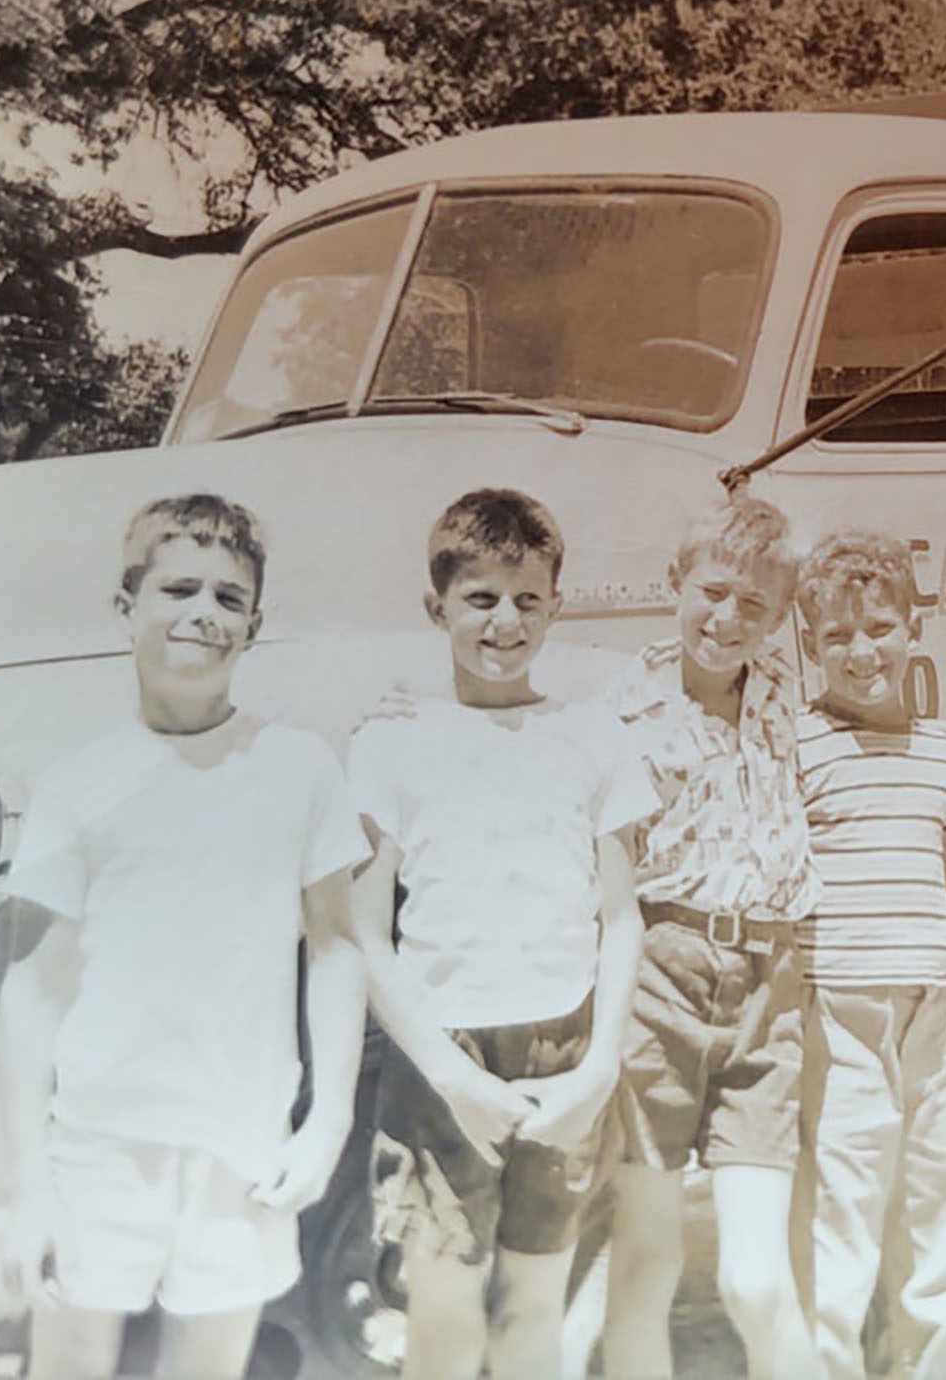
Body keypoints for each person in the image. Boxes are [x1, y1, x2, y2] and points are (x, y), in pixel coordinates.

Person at [0, 494, 369, 1378]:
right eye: (178, 589)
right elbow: (35, 986)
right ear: (126, 607)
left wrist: (328, 1122)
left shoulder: (299, 768)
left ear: (254, 625)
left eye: (229, 598)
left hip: (240, 1144)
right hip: (98, 1142)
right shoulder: (76, 784)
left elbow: (335, 950)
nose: (203, 613)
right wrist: (28, 1187)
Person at [348, 488, 657, 1380]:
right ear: (436, 607)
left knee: (534, 1311)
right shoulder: (394, 743)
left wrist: (598, 1068)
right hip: (440, 1055)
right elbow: (365, 932)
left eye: (527, 599)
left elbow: (620, 916)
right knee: (443, 1320)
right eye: (480, 598)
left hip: (562, 1053)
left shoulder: (594, 738)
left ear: (557, 604)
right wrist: (449, 1077)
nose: (504, 622)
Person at [598, 496, 821, 1380]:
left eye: (755, 607)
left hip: (768, 995)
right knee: (646, 1265)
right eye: (714, 593)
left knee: (758, 1281)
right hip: (660, 980)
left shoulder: (786, 703)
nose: (727, 620)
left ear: (778, 619)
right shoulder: (621, 711)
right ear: (676, 584)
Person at [794, 528, 946, 1380]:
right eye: (836, 636)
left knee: (936, 1216)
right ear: (808, 646)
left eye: (879, 626)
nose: (861, 651)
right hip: (838, 1016)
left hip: (934, 1021)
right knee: (838, 1225)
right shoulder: (795, 750)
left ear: (913, 628)